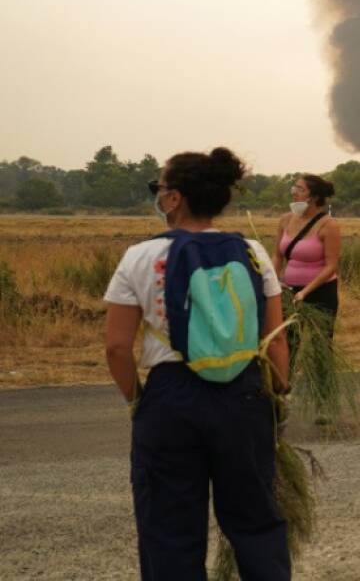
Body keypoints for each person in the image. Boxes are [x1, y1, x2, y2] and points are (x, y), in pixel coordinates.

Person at [103, 147, 290, 580]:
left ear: (174, 199)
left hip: (170, 400)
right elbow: (276, 342)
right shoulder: (252, 253)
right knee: (257, 523)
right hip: (244, 396)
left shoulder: (139, 257)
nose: (158, 196)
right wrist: (278, 394)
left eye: (160, 188)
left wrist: (138, 401)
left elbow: (116, 349)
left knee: (169, 531)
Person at [272, 174, 341, 366]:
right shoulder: (285, 220)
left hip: (320, 292)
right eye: (294, 188)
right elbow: (277, 255)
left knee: (321, 345)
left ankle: (323, 389)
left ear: (314, 197)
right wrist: (273, 280)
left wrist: (305, 291)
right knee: (288, 343)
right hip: (289, 292)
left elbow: (331, 265)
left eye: (300, 189)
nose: (294, 192)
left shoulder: (329, 225)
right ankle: (285, 387)